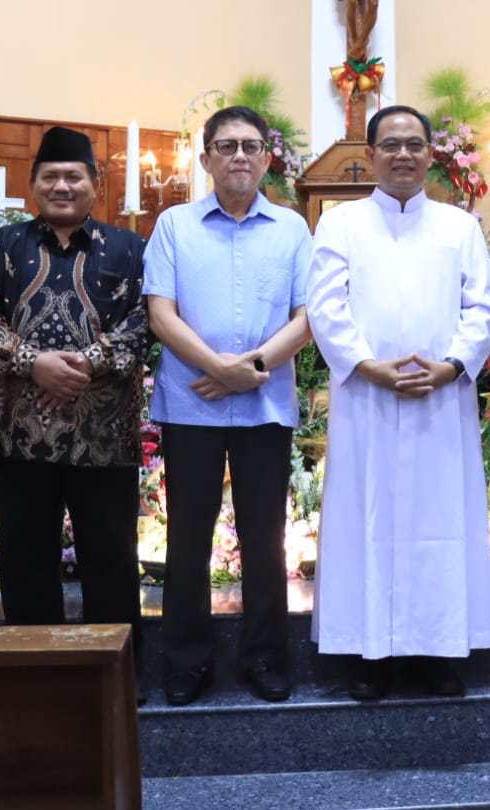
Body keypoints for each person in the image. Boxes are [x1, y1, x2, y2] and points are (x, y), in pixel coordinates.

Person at [307, 105, 490, 701]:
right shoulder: (341, 225)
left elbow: (484, 308)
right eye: (390, 145)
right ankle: (369, 655)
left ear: (430, 155)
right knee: (365, 522)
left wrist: (450, 367)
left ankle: (439, 651)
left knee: (440, 523)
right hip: (367, 397)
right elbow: (324, 305)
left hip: (440, 403)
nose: (403, 155)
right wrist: (368, 364)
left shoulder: (458, 227)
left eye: (414, 144)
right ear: (370, 155)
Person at [145, 106, 312, 706]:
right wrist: (218, 368)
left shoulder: (292, 228)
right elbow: (159, 311)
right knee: (188, 538)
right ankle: (186, 663)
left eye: (249, 145)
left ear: (267, 157)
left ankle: (265, 658)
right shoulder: (174, 225)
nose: (238, 155)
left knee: (265, 537)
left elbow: (307, 317)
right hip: (192, 405)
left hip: (265, 408)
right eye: (226, 145)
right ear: (206, 157)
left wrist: (253, 371)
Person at [0, 127, 148, 655]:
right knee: (24, 562)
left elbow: (143, 323)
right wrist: (33, 362)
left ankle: (116, 677)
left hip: (104, 441)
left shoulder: (130, 249)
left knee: (111, 560)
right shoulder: (2, 244)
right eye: (51, 177)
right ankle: (35, 675)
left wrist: (84, 365)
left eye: (73, 176)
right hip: (20, 439)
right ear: (33, 185)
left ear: (95, 182)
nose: (62, 186)